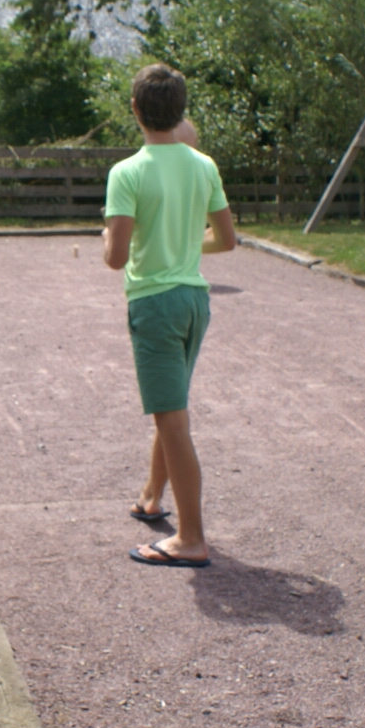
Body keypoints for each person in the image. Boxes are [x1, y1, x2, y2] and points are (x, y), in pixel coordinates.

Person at [101, 64, 235, 567]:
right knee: (170, 407)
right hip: (194, 302)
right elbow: (225, 239)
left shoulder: (127, 172)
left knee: (173, 422)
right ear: (181, 112)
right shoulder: (204, 165)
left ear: (135, 110)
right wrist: (182, 243)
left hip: (154, 304)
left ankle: (191, 538)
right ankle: (153, 497)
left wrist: (107, 240)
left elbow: (115, 256)